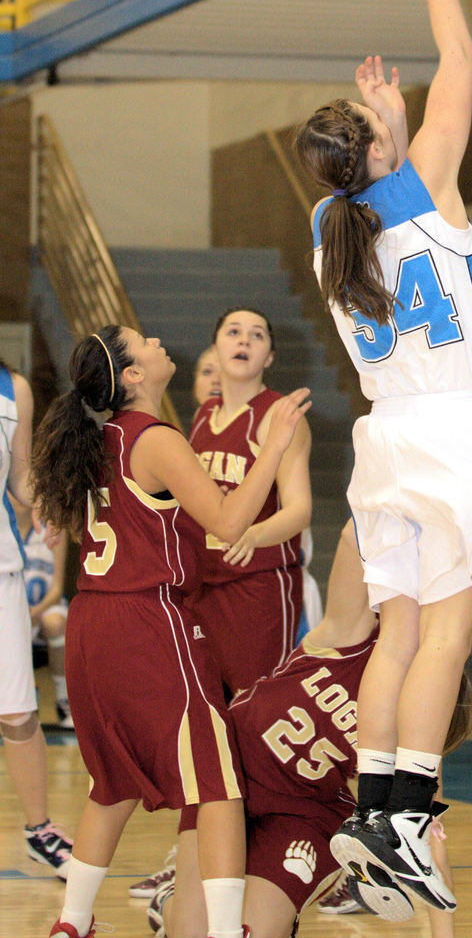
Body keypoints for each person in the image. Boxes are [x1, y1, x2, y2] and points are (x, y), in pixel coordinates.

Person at [292, 0, 472, 913]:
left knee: (392, 634)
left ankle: (371, 804)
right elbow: (463, 65)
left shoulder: (325, 230)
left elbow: (371, 180)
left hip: (384, 442)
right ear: (380, 149)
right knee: (447, 635)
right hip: (458, 435)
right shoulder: (424, 181)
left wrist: (381, 133)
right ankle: (408, 815)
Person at [30, 325, 310, 938]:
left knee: (114, 783)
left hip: (91, 624)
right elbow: (230, 521)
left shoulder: (93, 439)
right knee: (219, 784)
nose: (160, 340)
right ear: (132, 375)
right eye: (145, 342)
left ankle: (72, 924)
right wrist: (276, 446)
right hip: (147, 620)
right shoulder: (153, 439)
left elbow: (60, 514)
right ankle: (229, 931)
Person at [148, 521, 471, 938]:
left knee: (253, 932)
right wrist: (397, 495)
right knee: (190, 931)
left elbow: (430, 844)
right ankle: (172, 903)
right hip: (228, 778)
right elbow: (351, 536)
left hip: (302, 815)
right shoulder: (352, 633)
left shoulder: (418, 729)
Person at [188, 308, 312, 693]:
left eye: (257, 335)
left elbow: (299, 509)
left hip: (257, 586)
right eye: (234, 332)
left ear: (269, 357)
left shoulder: (281, 415)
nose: (244, 340)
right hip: (203, 584)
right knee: (208, 706)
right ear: (216, 347)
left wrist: (254, 536)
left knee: (253, 707)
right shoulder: (204, 413)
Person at [0, 359, 73, 879]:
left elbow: (21, 475)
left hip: (2, 568)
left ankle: (39, 830)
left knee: (18, 713)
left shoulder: (13, 388)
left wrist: (47, 504)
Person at [16, 498, 74, 729]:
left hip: (46, 606)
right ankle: (17, 704)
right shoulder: (4, 528)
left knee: (56, 623)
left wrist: (37, 611)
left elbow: (58, 587)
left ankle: (64, 701)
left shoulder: (53, 526)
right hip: (12, 608)